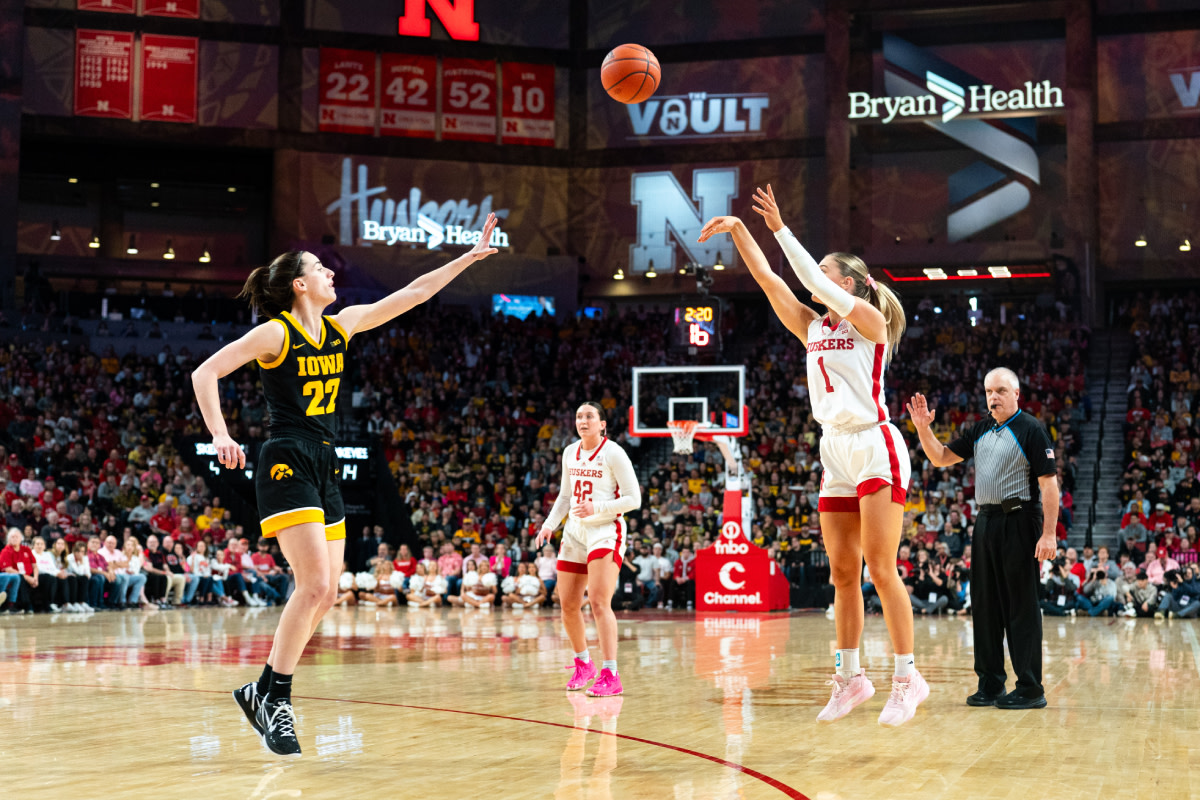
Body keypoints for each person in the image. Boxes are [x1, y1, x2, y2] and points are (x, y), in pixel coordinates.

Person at [192, 216, 499, 755]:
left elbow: (413, 293)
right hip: (286, 458)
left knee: (330, 591)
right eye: (319, 268)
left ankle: (261, 690)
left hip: (325, 461)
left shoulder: (342, 326)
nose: (330, 272)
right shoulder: (275, 333)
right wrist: (220, 435)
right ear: (299, 285)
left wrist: (470, 257)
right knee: (311, 585)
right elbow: (205, 373)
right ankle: (278, 699)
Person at [700, 187, 922, 726]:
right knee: (843, 574)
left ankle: (907, 677)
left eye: (827, 273)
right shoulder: (813, 326)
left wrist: (779, 228)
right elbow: (772, 282)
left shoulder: (869, 321)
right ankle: (851, 678)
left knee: (880, 567)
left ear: (846, 283)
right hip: (835, 449)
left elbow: (808, 278)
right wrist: (739, 232)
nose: (818, 279)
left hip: (876, 443)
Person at [908, 367, 1059, 710]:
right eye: (990, 391)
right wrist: (923, 430)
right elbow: (941, 457)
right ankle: (990, 683)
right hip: (986, 522)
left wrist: (1049, 533)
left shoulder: (1032, 429)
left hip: (1020, 520)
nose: (994, 397)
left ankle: (1030, 689)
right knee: (985, 607)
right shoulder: (979, 428)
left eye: (1001, 391)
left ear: (1016, 394)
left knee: (1021, 607)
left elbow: (1049, 484)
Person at [536, 402, 641, 698]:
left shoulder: (614, 452)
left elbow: (634, 499)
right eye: (579, 416)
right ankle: (584, 664)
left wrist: (598, 507)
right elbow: (565, 496)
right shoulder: (570, 451)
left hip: (606, 530)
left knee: (597, 601)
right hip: (575, 531)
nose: (583, 420)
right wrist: (549, 525)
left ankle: (611, 672)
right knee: (567, 604)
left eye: (589, 416)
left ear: (602, 424)